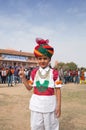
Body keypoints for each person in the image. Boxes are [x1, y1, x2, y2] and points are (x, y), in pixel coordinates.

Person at [19, 38, 62, 130]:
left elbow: (58, 90)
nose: (42, 61)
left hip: (50, 106)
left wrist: (59, 106)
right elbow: (29, 88)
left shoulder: (54, 73)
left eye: (45, 58)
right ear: (37, 59)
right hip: (36, 106)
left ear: (49, 59)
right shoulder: (33, 73)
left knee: (51, 127)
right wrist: (23, 78)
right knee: (36, 127)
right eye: (40, 58)